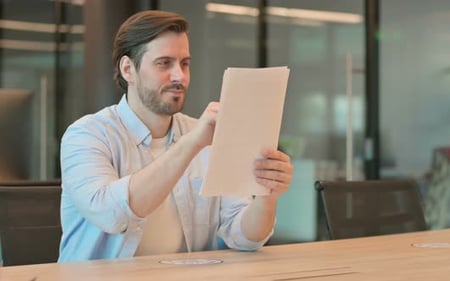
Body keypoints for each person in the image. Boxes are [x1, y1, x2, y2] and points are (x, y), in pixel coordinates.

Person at [57, 10, 294, 262]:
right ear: (128, 69)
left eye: (184, 63)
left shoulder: (204, 135)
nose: (179, 76)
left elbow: (245, 237)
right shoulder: (86, 135)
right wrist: (192, 144)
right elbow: (110, 215)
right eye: (164, 63)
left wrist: (266, 195)